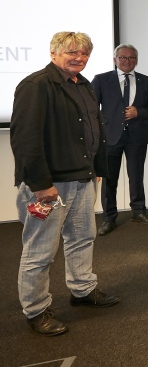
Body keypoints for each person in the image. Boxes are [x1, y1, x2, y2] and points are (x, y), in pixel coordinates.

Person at [11, 31, 120, 336]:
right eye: (71, 52)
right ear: (53, 52)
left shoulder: (83, 85)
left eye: (84, 53)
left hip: (82, 179)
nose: (78, 58)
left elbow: (92, 129)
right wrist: (41, 185)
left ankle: (83, 290)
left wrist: (96, 169)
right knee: (40, 250)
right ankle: (36, 310)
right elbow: (25, 140)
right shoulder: (36, 86)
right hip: (50, 185)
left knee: (83, 237)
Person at [92, 44, 148, 236]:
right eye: (122, 58)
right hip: (110, 137)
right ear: (115, 59)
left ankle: (139, 212)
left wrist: (139, 112)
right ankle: (109, 218)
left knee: (136, 176)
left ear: (136, 60)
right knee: (109, 180)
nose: (127, 61)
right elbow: (91, 108)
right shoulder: (101, 80)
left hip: (137, 137)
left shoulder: (147, 81)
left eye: (131, 58)